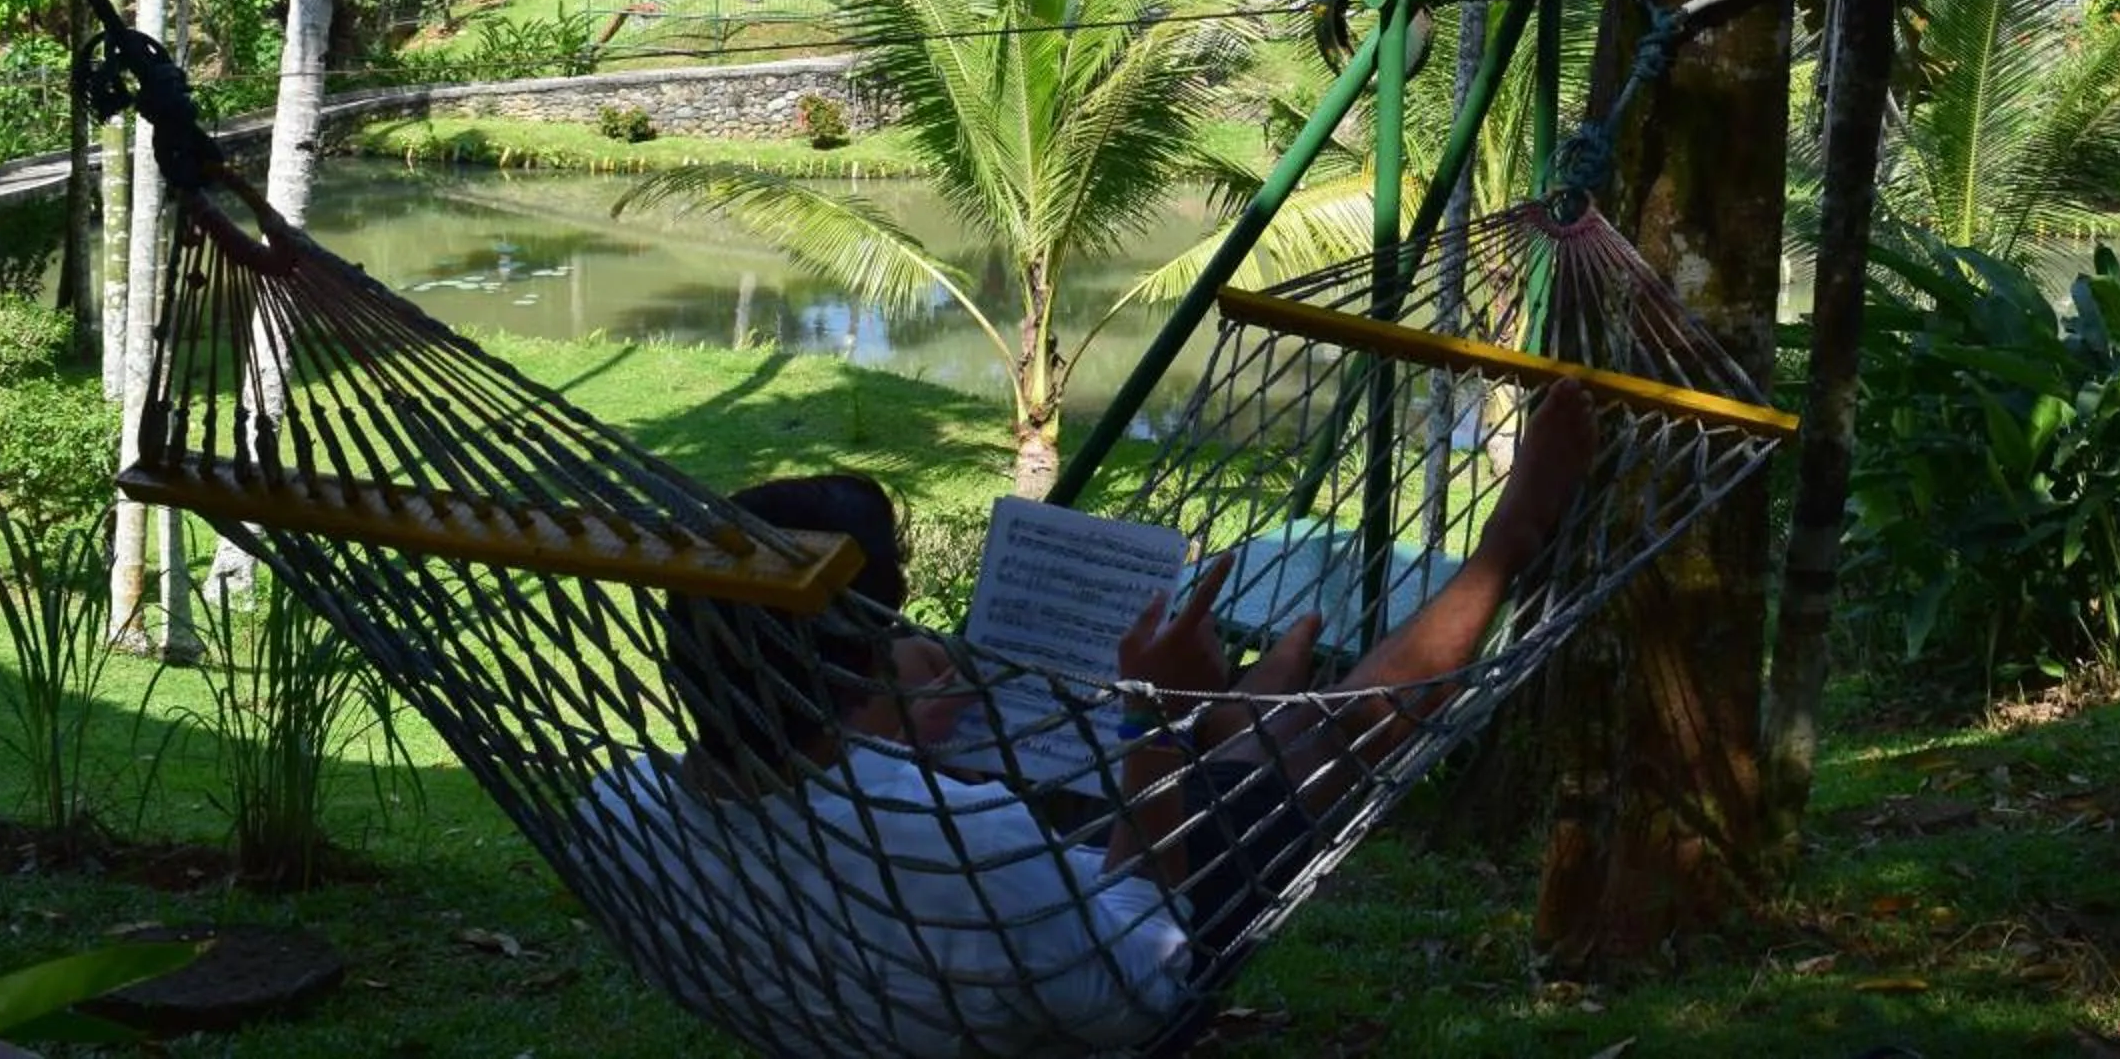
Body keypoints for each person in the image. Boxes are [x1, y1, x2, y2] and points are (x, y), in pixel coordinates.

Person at [582, 382, 1598, 1059]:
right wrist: (1158, 717)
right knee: (1316, 738)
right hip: (1077, 947)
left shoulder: (614, 812)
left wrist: (908, 710)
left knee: (1233, 735)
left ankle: (1239, 706)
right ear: (858, 661)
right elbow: (1144, 982)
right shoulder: (964, 842)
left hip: (885, 942)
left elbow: (820, 798)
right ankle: (1509, 539)